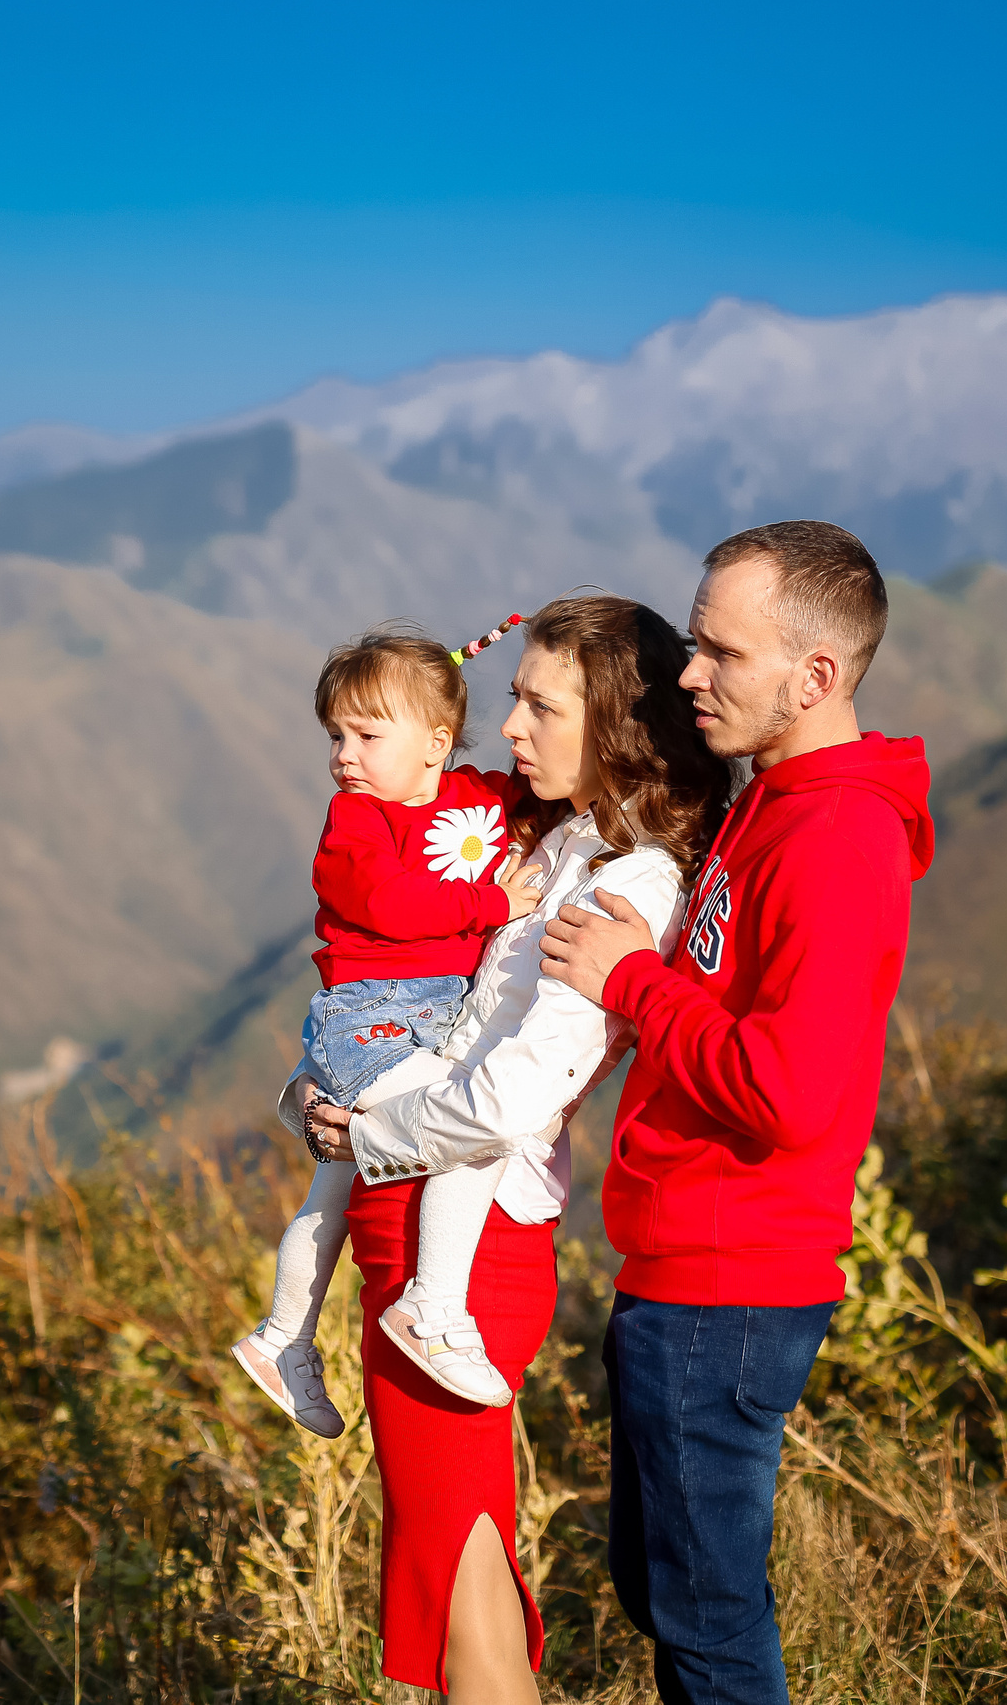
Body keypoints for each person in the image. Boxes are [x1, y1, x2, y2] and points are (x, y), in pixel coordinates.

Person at [539, 521, 934, 1705]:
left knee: (706, 1625)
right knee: (665, 1593)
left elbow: (788, 1093)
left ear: (815, 676)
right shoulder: (773, 802)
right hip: (683, 1268)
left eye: (722, 653)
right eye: (694, 643)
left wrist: (632, 982)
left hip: (732, 1279)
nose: (689, 675)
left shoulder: (836, 837)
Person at [309, 595, 731, 1701]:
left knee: (461, 1592)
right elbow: (435, 1014)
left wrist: (369, 1133)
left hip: (465, 1236)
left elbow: (512, 1095)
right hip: (424, 1212)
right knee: (458, 1562)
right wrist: (329, 1090)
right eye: (514, 698)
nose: (507, 728)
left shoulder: (628, 883)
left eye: (542, 707)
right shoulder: (566, 843)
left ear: (618, 725)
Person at [231, 629, 543, 1436]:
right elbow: (389, 904)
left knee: (330, 1196)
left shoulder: (479, 796)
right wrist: (491, 905)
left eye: (368, 735)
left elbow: (540, 789)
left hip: (421, 1018)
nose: (345, 755)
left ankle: (280, 1337)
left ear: (437, 742)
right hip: (369, 1020)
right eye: (336, 735)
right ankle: (432, 1308)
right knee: (477, 1131)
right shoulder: (353, 824)